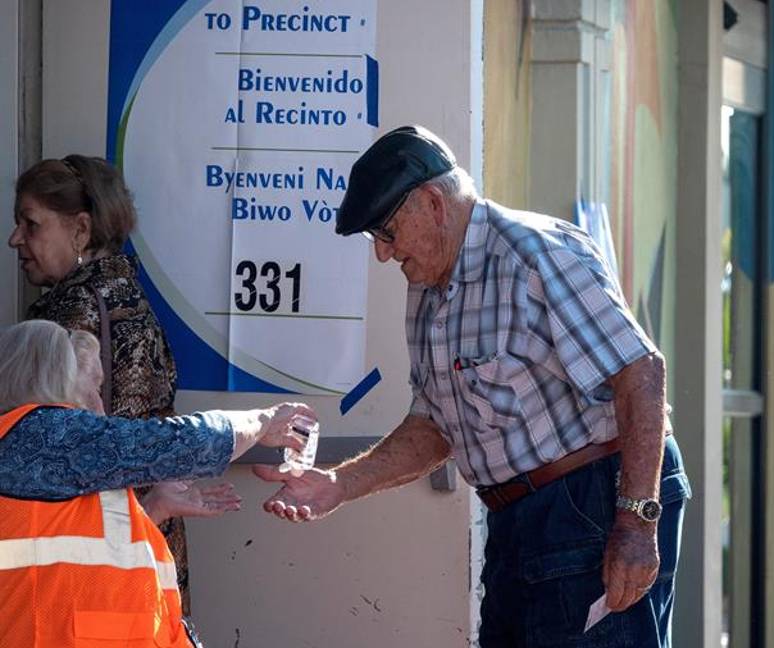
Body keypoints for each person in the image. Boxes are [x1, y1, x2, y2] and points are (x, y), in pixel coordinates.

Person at [256, 125, 691, 646]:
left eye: (386, 233)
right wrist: (337, 486)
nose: (383, 255)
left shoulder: (535, 254)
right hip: (516, 522)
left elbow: (640, 372)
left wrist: (637, 521)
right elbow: (436, 425)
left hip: (592, 503)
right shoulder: (427, 285)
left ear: (434, 204)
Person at [0, 319, 314, 648]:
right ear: (53, 380)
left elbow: (70, 563)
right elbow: (181, 442)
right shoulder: (46, 436)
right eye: (92, 385)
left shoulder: (46, 452)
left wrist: (153, 509)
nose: (99, 403)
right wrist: (262, 422)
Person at [8, 154, 206, 611]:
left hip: (104, 552)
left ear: (80, 230)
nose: (15, 239)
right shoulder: (123, 294)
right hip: (147, 540)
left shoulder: (71, 317)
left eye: (31, 224)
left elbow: (45, 452)